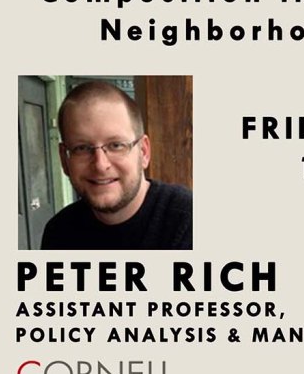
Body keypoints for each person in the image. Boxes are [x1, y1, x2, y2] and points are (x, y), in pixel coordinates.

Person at [41, 81, 192, 250]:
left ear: (143, 152)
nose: (100, 165)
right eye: (82, 148)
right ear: (64, 159)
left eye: (116, 145)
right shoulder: (58, 233)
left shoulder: (189, 222)